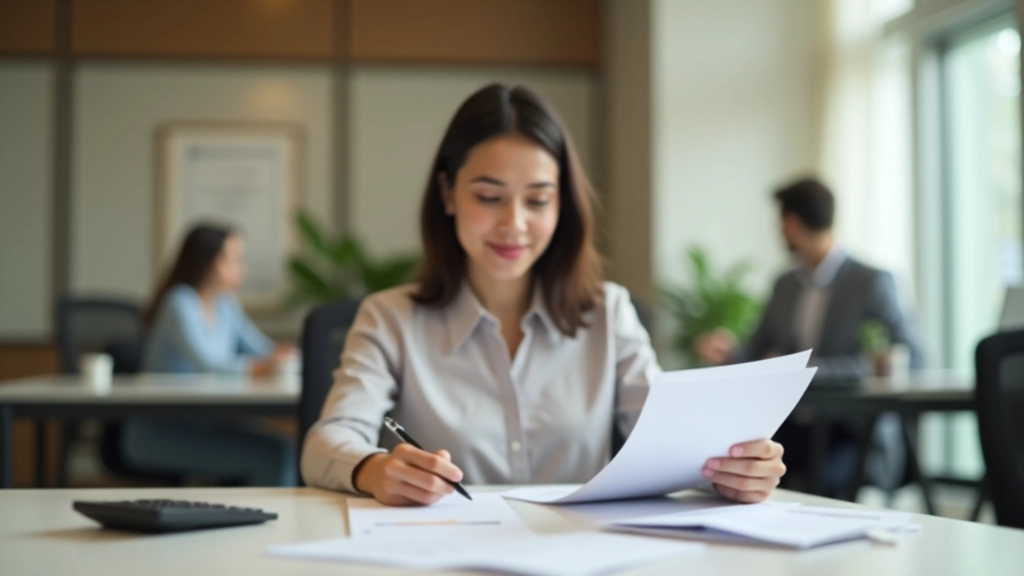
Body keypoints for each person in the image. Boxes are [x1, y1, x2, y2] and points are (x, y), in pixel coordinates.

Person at [301, 84, 787, 506]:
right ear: (448, 194)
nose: (514, 224)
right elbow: (326, 442)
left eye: (537, 200)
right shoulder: (390, 318)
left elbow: (672, 445)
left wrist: (735, 470)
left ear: (563, 204)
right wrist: (374, 470)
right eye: (489, 197)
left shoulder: (608, 312)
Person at [696, 177, 924, 495]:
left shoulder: (871, 282)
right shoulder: (785, 285)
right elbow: (758, 349)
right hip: (789, 424)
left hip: (846, 429)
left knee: (826, 484)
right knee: (727, 469)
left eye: (780, 222)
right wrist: (730, 351)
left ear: (791, 223)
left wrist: (811, 370)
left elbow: (911, 355)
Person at [121, 223, 297, 486]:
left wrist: (287, 354)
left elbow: (261, 348)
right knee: (274, 455)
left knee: (286, 449)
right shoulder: (179, 302)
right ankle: (273, 526)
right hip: (158, 433)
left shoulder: (225, 304)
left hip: (205, 425)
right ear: (207, 261)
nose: (242, 268)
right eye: (234, 259)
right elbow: (208, 364)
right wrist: (260, 367)